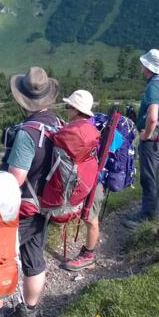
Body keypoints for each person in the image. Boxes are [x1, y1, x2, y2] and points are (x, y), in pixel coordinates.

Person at [0, 66, 61, 317]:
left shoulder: (28, 134)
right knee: (33, 256)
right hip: (46, 203)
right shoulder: (56, 123)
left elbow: (14, 179)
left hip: (23, 206)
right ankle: (28, 314)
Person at [121, 49, 159, 230]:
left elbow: (153, 117)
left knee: (148, 177)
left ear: (148, 67)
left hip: (153, 140)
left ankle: (146, 217)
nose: (141, 66)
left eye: (144, 64)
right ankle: (148, 212)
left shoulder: (153, 87)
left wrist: (146, 135)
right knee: (152, 176)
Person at [60, 90, 104, 272]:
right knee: (90, 217)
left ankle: (89, 255)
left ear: (76, 110)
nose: (66, 109)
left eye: (68, 106)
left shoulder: (76, 131)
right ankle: (88, 253)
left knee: (91, 219)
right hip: (91, 178)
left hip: (88, 182)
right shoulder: (90, 128)